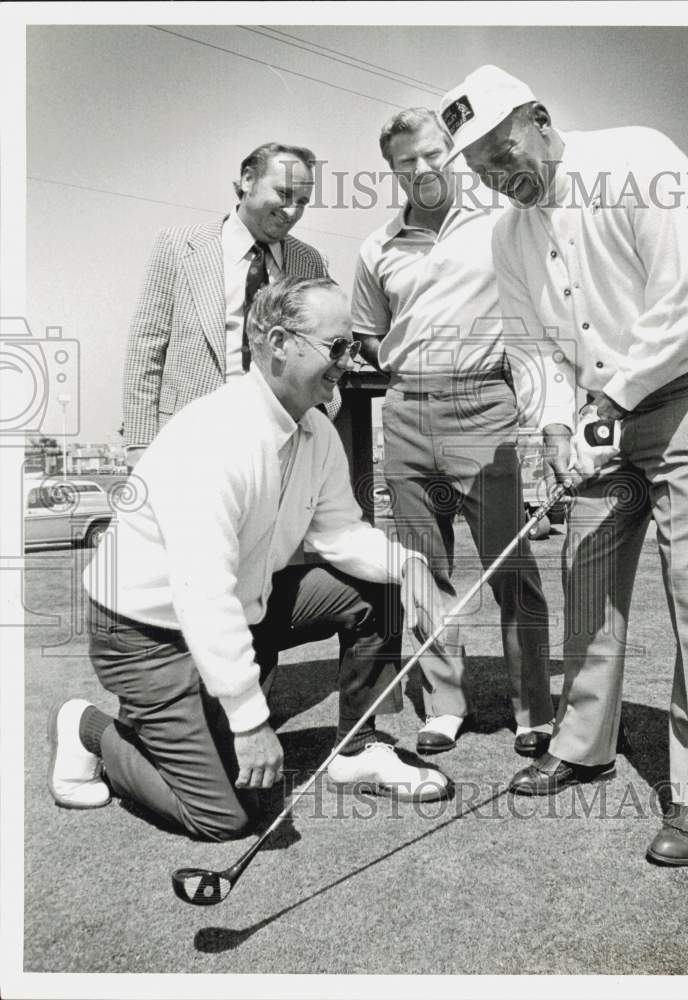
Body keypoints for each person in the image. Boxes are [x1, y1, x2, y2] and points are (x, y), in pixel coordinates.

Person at [439, 64, 688, 866]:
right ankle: (584, 744)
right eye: (478, 169)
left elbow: (683, 300)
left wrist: (606, 405)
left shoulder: (638, 157)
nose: (497, 175)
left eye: (501, 149)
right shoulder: (508, 234)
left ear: (541, 120)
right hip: (598, 414)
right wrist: (553, 427)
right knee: (587, 572)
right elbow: (531, 346)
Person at [47, 277, 449, 840]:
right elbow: (202, 592)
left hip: (240, 609)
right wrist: (249, 718)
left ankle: (359, 746)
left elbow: (338, 533)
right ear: (280, 342)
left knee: (376, 586)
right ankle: (88, 728)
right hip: (143, 634)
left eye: (353, 347)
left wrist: (409, 568)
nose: (349, 362)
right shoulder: (215, 437)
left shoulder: (317, 430)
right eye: (337, 347)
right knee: (222, 816)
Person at [351, 107, 554, 759]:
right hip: (406, 410)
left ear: (454, 151)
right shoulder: (375, 247)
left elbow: (540, 313)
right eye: (407, 160)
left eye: (435, 152)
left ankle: (533, 709)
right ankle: (444, 704)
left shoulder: (503, 220)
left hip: (485, 407)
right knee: (422, 571)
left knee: (510, 568)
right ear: (392, 170)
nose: (424, 168)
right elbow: (368, 336)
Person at [122, 141, 338, 469]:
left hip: (285, 442)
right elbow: (145, 349)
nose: (292, 211)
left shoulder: (310, 262)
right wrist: (139, 444)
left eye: (303, 202)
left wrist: (322, 413)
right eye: (284, 194)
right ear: (248, 180)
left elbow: (326, 348)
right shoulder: (177, 247)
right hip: (191, 439)